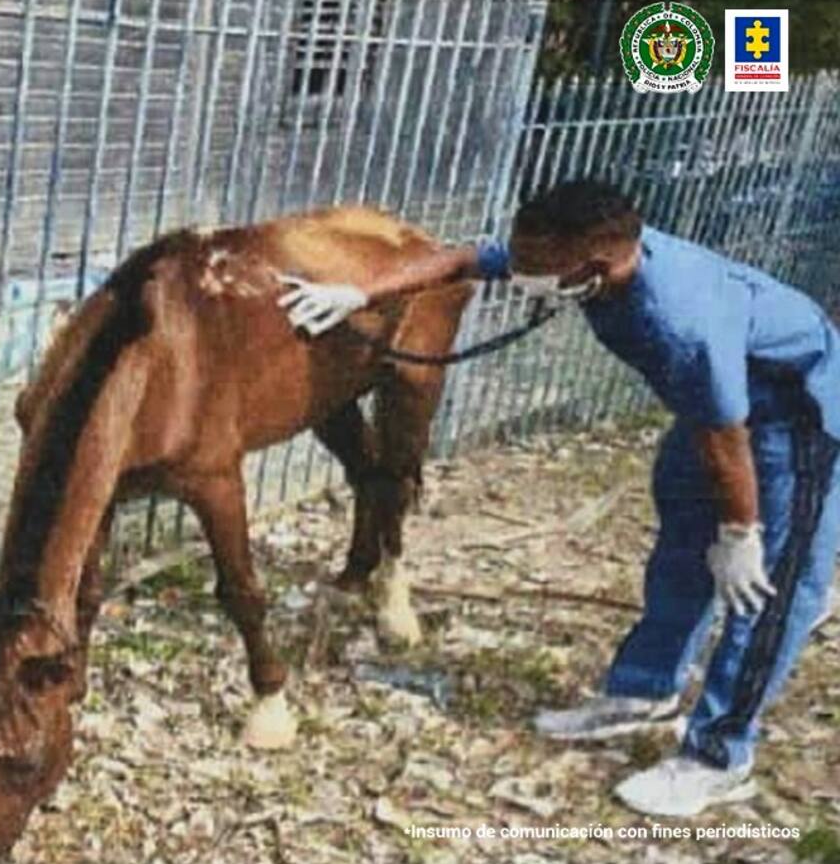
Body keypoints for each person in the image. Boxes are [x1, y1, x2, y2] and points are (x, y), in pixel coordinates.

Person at [276, 181, 840, 818]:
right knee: (683, 545)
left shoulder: (681, 322)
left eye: (533, 269)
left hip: (793, 418)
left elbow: (725, 433)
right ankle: (644, 690)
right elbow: (464, 258)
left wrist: (742, 532)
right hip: (714, 412)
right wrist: (359, 291)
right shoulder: (579, 258)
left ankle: (719, 755)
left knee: (765, 592)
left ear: (592, 269)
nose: (517, 275)